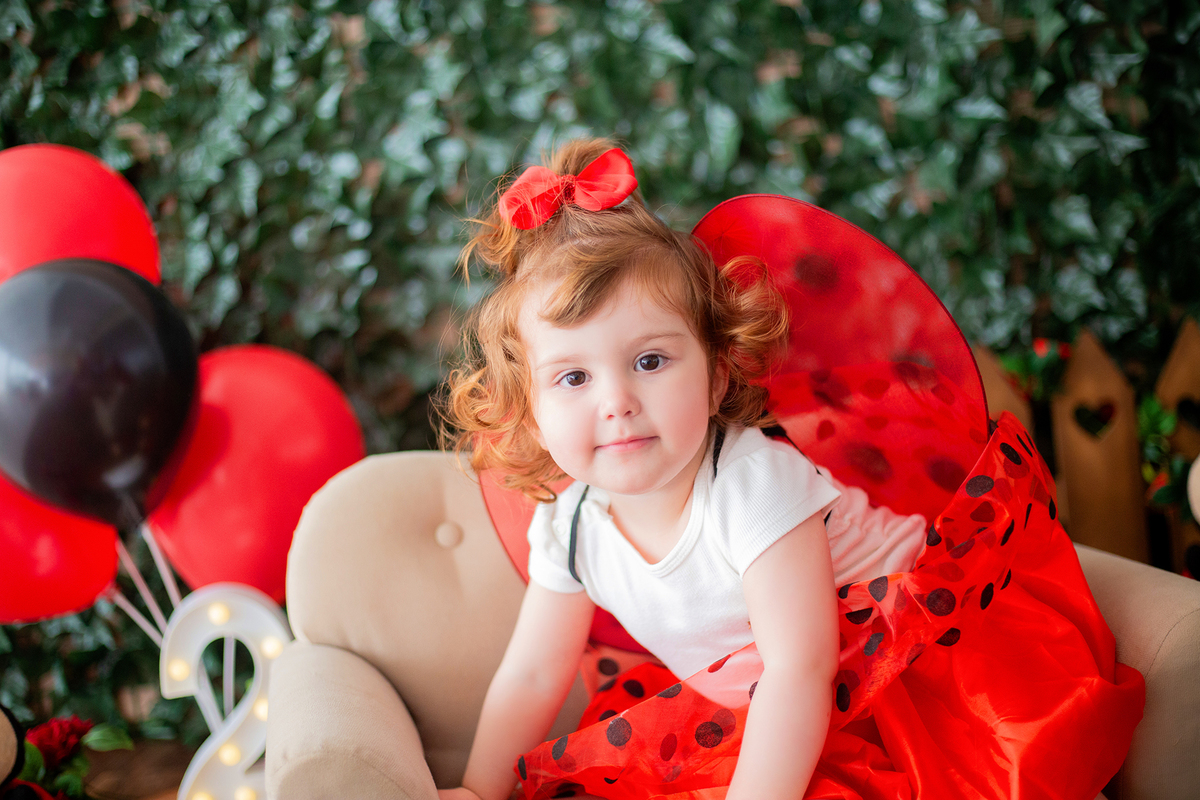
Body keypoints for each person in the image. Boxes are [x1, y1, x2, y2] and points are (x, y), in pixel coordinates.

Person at [437, 138, 1143, 800]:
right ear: (528, 410)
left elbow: (802, 669)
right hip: (765, 693)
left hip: (900, 669)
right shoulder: (569, 524)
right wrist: (475, 788)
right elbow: (533, 673)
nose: (617, 402)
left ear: (716, 378)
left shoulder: (750, 485)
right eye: (572, 378)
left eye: (649, 361)